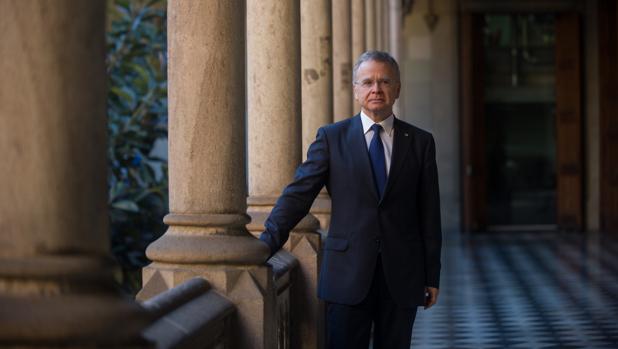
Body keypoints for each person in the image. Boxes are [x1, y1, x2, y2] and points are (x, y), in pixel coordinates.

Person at [259, 50, 442, 349]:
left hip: (403, 275)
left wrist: (432, 274)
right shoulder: (332, 138)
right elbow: (298, 194)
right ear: (356, 90)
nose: (376, 89)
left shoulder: (421, 142)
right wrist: (266, 242)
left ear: (397, 89)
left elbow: (429, 214)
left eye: (384, 81)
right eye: (367, 82)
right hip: (347, 275)